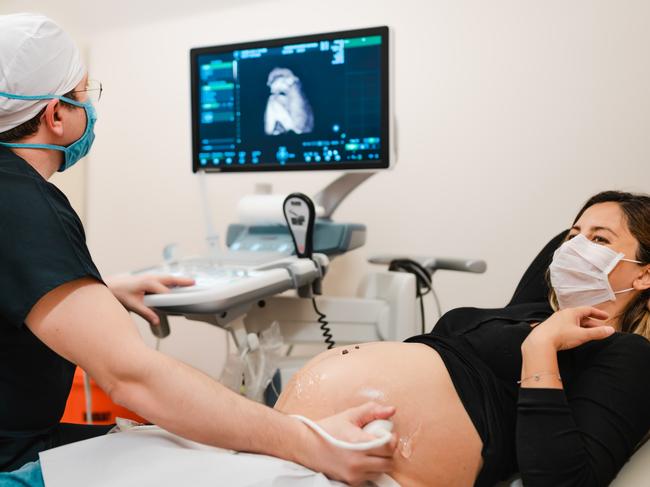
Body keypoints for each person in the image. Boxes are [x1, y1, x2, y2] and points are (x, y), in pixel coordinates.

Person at [0, 13, 396, 485]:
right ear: (57, 115)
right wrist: (311, 442)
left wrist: (98, 290)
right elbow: (133, 378)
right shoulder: (27, 204)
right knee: (286, 472)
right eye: (85, 94)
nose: (91, 108)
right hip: (13, 467)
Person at [276, 190, 650, 487]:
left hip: (377, 465)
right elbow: (555, 254)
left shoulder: (625, 353)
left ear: (643, 275)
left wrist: (540, 351)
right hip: (303, 441)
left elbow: (564, 482)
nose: (574, 249)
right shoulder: (529, 310)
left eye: (599, 240)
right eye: (572, 237)